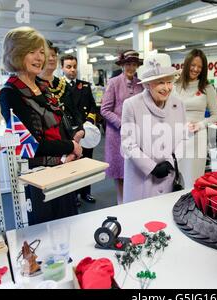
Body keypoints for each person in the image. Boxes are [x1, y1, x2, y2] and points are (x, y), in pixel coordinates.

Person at [0, 27, 81, 225]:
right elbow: (30, 144)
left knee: (70, 223)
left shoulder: (42, 85)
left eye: (42, 52)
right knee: (47, 230)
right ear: (16, 53)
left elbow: (58, 123)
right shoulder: (10, 92)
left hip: (63, 165)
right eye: (31, 51)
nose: (39, 58)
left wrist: (70, 146)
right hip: (38, 175)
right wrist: (70, 147)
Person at [121, 53, 187, 203]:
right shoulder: (131, 105)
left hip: (169, 176)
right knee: (141, 220)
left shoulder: (179, 104)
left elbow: (184, 137)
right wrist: (152, 167)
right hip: (142, 179)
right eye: (160, 82)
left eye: (169, 82)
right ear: (147, 84)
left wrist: (170, 162)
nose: (166, 88)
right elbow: (128, 144)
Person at [101, 50, 144, 204]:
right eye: (128, 64)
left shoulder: (141, 84)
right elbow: (104, 110)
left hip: (136, 135)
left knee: (134, 170)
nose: (131, 68)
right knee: (120, 173)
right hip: (117, 136)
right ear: (122, 65)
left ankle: (133, 201)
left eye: (134, 64)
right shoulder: (113, 82)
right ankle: (121, 204)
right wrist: (122, 123)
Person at [174, 49, 217, 189]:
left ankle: (192, 208)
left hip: (197, 138)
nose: (196, 69)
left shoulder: (207, 88)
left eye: (200, 67)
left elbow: (216, 115)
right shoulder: (175, 86)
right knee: (177, 177)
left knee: (193, 179)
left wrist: (200, 125)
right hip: (177, 136)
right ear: (187, 64)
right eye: (193, 65)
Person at [61, 54, 99, 204]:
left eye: (74, 67)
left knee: (87, 162)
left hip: (85, 131)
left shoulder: (85, 86)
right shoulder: (58, 88)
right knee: (73, 164)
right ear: (62, 68)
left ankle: (85, 193)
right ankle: (73, 195)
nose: (72, 70)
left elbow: (92, 107)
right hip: (68, 131)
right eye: (68, 67)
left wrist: (87, 125)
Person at [38, 40, 85, 145]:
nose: (51, 58)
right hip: (48, 141)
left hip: (68, 136)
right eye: (47, 55)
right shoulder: (34, 85)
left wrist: (81, 128)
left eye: (54, 55)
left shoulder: (62, 84)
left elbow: (74, 110)